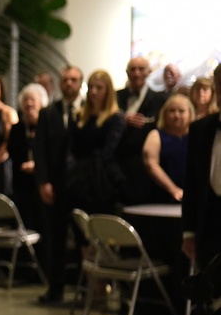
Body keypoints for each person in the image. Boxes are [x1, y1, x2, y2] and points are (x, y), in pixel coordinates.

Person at [34, 65, 84, 304]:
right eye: (65, 79)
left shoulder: (88, 110)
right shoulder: (48, 112)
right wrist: (43, 181)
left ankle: (84, 291)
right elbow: (40, 151)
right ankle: (55, 290)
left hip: (81, 186)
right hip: (56, 185)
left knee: (83, 239)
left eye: (74, 79)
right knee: (55, 240)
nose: (69, 84)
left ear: (80, 82)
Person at [67, 69, 125, 216]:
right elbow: (71, 147)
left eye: (99, 88)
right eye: (91, 87)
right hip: (78, 178)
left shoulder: (115, 117)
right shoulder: (78, 115)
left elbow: (108, 151)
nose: (93, 91)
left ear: (108, 91)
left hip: (101, 179)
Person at [182, 65, 221, 276]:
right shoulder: (200, 129)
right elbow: (191, 182)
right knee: (208, 294)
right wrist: (189, 232)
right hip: (209, 223)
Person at [115, 56, 168, 205]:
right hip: (117, 165)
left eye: (141, 69)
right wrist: (122, 121)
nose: (137, 73)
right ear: (127, 73)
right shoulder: (114, 97)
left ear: (149, 72)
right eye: (133, 69)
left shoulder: (160, 100)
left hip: (145, 169)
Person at [8, 83, 48, 234]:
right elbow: (12, 151)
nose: (29, 103)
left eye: (32, 100)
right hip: (21, 182)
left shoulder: (46, 126)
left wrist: (37, 165)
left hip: (41, 181)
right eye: (26, 100)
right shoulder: (17, 128)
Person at [143, 93, 193, 203]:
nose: (176, 115)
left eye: (181, 111)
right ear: (164, 114)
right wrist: (174, 190)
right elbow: (151, 164)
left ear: (190, 114)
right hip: (161, 196)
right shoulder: (155, 135)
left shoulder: (196, 136)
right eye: (172, 111)